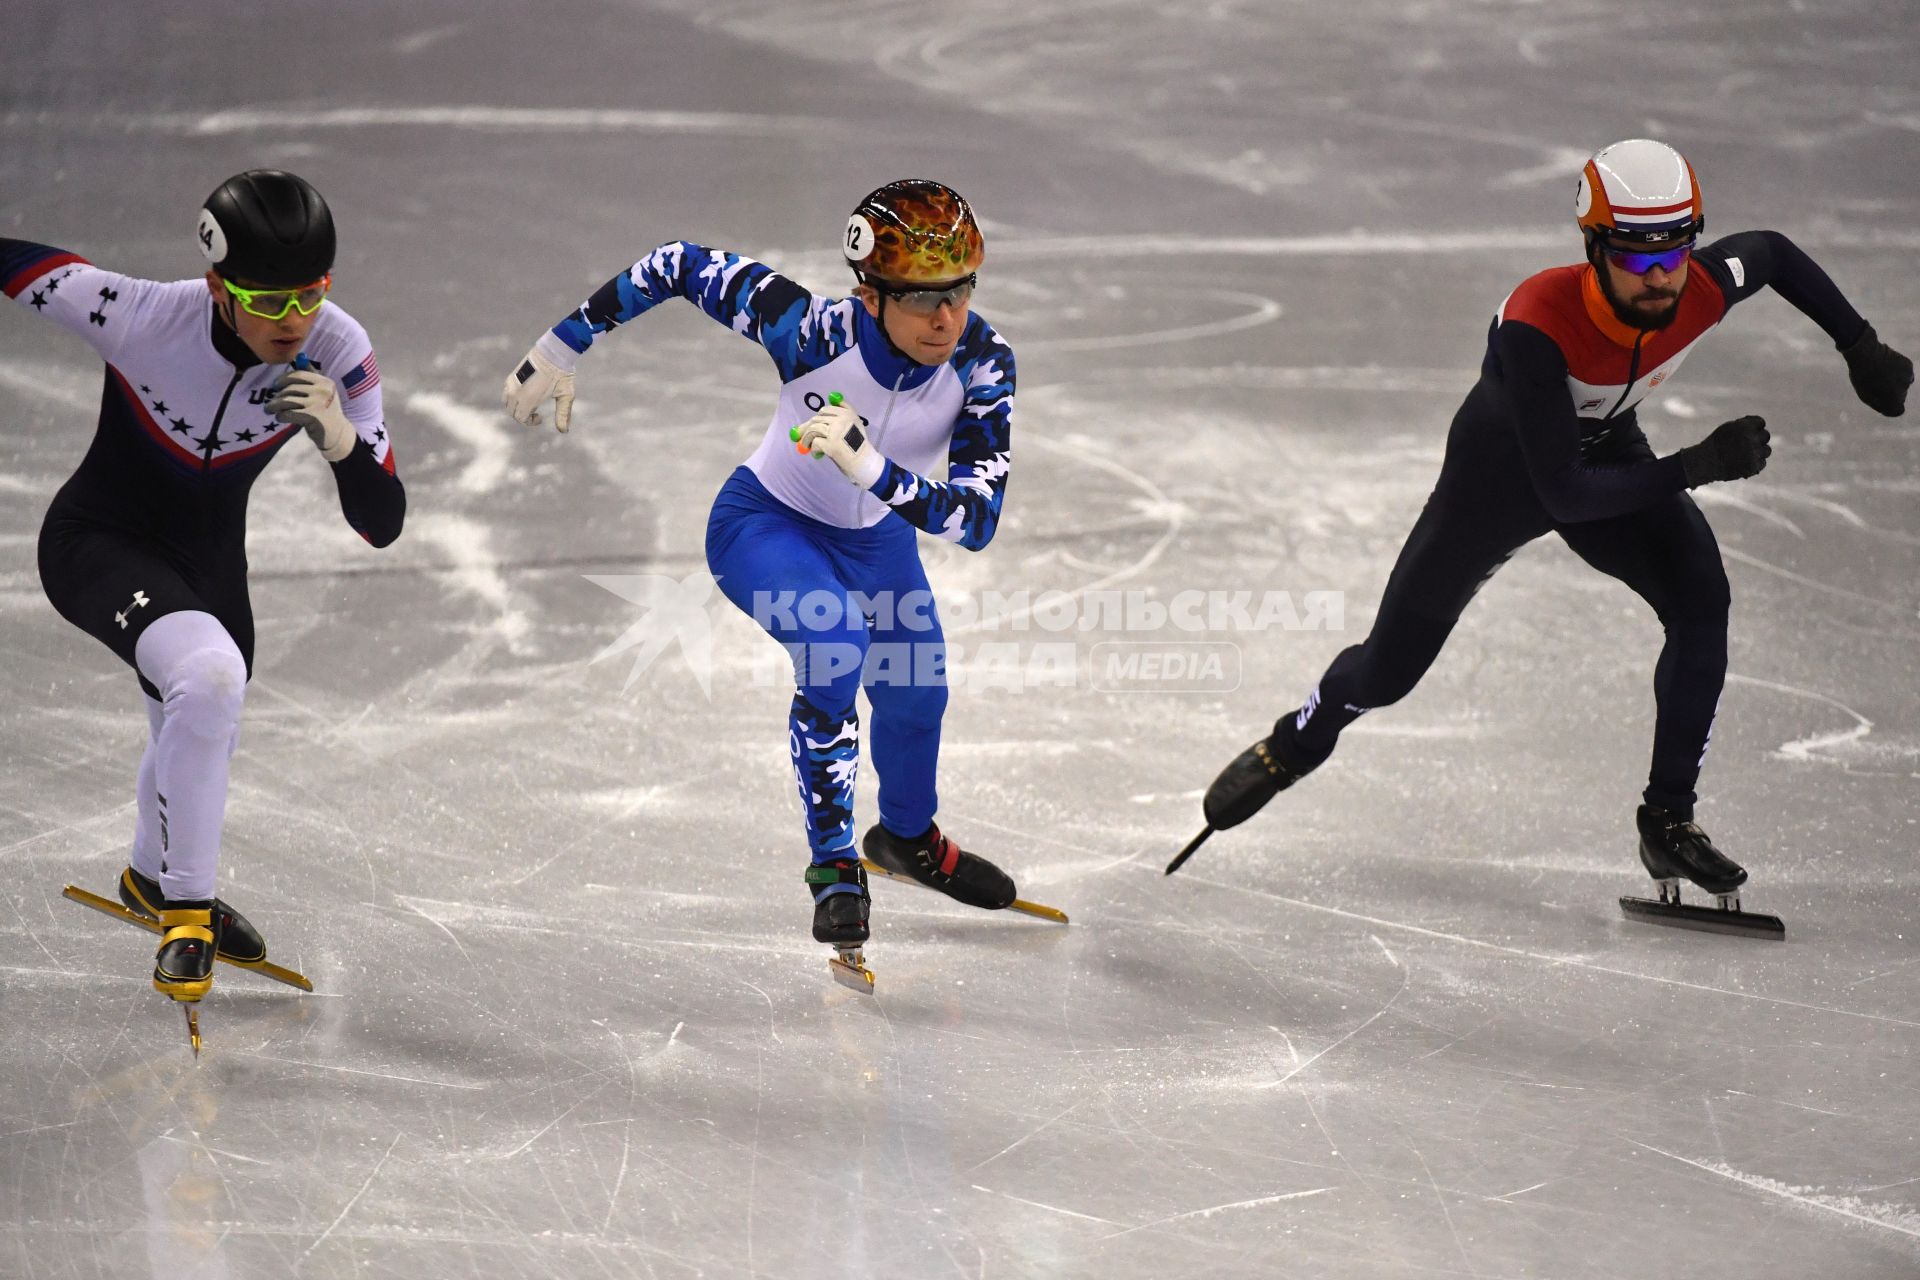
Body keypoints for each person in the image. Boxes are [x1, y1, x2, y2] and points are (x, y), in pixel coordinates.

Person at [1194, 138, 1912, 900]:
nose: (1660, 276)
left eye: (1675, 251)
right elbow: (1563, 493)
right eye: (1636, 259)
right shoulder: (1537, 321)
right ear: (1594, 247)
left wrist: (1860, 346)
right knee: (1386, 673)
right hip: (1497, 487)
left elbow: (1772, 253)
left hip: (1606, 454)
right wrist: (1693, 467)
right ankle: (1294, 740)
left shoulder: (1698, 284)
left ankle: (1668, 822)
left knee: (1703, 599)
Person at [503, 179, 1020, 962]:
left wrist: (872, 469)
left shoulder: (984, 362)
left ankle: (907, 840)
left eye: (958, 292)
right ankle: (836, 863)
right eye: (920, 300)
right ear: (869, 296)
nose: (944, 318)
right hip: (765, 525)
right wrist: (560, 346)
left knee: (919, 692)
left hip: (879, 544)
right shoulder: (810, 331)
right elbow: (679, 264)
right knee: (836, 643)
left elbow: (976, 522)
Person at [3, 170, 405, 1005]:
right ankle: (188, 911)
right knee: (210, 676)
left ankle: (153, 881)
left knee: (203, 715)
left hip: (213, 568)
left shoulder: (341, 349)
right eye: (266, 298)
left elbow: (382, 522)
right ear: (219, 286)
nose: (292, 321)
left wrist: (338, 437)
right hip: (98, 543)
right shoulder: (141, 313)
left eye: (310, 295)